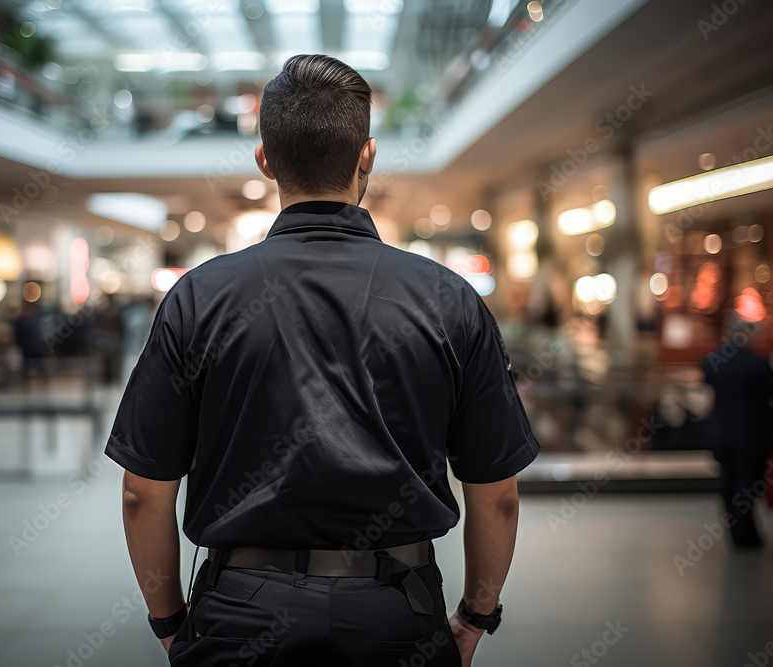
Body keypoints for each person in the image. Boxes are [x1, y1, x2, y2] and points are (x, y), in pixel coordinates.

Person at [105, 54, 540, 667]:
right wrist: (475, 617)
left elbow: (141, 493)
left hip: (239, 613)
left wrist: (171, 623)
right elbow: (496, 495)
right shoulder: (449, 300)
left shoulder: (199, 298)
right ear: (367, 154)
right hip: (396, 610)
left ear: (264, 160)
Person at [702, 314, 773, 549]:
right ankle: (745, 533)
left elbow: (707, 380)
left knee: (729, 481)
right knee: (746, 482)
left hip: (721, 432)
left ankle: (738, 530)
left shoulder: (713, 361)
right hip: (750, 434)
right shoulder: (757, 362)